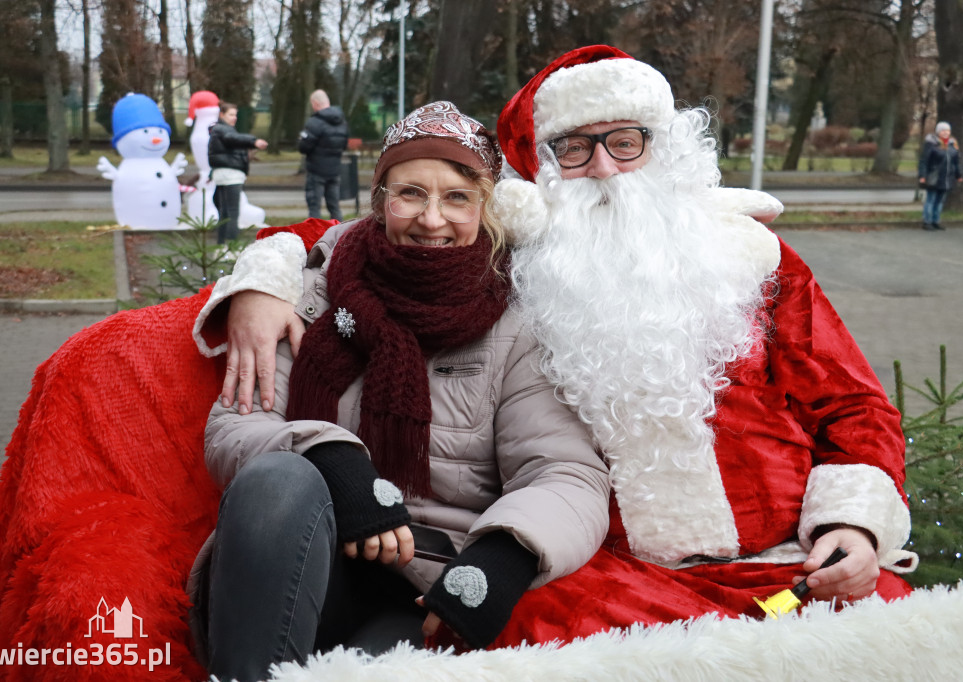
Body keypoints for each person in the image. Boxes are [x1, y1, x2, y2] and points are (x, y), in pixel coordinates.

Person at [196, 46, 916, 647]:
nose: (603, 168)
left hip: (784, 558)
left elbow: (854, 404)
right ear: (537, 176)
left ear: (665, 151)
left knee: (876, 630)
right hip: (615, 574)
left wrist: (853, 523)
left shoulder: (754, 260)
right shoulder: (534, 270)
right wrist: (261, 281)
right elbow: (324, 248)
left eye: (625, 142)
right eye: (574, 148)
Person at [189, 100, 610, 681]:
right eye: (411, 192)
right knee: (277, 477)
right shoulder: (309, 295)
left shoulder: (518, 321)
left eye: (457, 197)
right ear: (381, 200)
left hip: (423, 582)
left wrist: (504, 557)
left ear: (487, 208)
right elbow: (235, 427)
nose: (432, 219)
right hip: (298, 553)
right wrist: (335, 462)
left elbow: (564, 472)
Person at [208, 101, 268, 243]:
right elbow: (233, 139)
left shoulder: (219, 130)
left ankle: (221, 246)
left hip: (222, 174)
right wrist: (253, 142)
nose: (234, 117)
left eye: (236, 115)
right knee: (233, 212)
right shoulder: (223, 130)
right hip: (231, 175)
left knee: (224, 212)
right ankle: (231, 247)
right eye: (231, 114)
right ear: (222, 115)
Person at [299, 89, 349, 221]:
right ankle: (340, 235)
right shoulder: (342, 122)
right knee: (334, 207)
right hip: (334, 170)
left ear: (315, 103)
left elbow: (304, 147)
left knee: (314, 207)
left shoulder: (314, 122)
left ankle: (315, 238)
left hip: (316, 171)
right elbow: (344, 145)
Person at [918, 120, 962, 231]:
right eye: (943, 130)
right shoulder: (931, 144)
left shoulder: (952, 145)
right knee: (931, 200)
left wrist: (958, 175)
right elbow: (924, 161)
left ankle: (935, 221)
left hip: (947, 178)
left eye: (947, 130)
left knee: (940, 201)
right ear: (938, 132)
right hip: (934, 177)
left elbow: (955, 162)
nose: (945, 132)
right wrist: (922, 175)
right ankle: (927, 222)